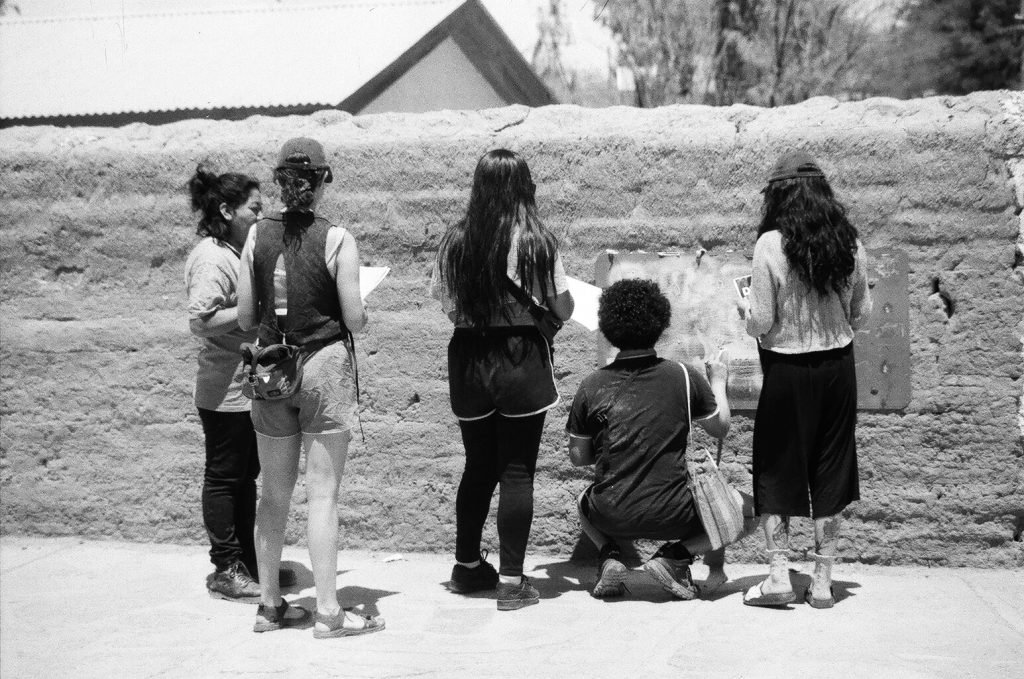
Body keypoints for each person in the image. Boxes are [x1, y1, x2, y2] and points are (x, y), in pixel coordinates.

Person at [237, 138, 384, 637]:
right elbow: (355, 320)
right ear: (321, 181)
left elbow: (243, 316)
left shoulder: (256, 236)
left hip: (271, 370)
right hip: (321, 368)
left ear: (280, 181)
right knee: (323, 497)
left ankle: (270, 607)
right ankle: (327, 613)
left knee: (272, 496)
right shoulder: (338, 239)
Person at [432, 149, 574, 611]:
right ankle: (512, 581)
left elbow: (446, 304)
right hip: (520, 359)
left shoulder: (455, 240)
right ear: (523, 186)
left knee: (478, 466)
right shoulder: (536, 241)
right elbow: (564, 308)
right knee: (516, 470)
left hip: (470, 358)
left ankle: (468, 567)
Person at [567, 278, 757, 599]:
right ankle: (675, 557)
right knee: (752, 510)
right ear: (660, 324)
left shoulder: (590, 385)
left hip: (610, 512)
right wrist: (719, 382)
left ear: (609, 327)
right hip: (676, 514)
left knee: (583, 503)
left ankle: (610, 556)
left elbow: (578, 457)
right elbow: (720, 427)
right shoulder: (683, 376)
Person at [740, 150, 872, 609]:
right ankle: (821, 582)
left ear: (779, 196)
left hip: (786, 373)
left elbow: (759, 321)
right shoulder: (849, 244)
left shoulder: (769, 246)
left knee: (777, 468)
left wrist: (745, 312)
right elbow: (862, 313)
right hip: (838, 370)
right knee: (832, 467)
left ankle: (778, 576)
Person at [185, 165, 295, 602]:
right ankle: (226, 568)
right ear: (227, 210)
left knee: (245, 475)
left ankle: (248, 562)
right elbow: (201, 318)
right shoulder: (212, 257)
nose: (261, 214)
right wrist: (256, 311)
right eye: (254, 207)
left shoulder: (234, 251)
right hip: (223, 389)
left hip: (246, 386)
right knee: (225, 476)